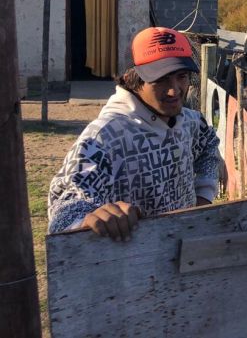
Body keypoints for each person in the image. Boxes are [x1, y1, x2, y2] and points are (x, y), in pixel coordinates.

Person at [48, 27, 221, 241]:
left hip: (184, 254)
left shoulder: (191, 122)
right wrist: (86, 220)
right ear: (134, 77)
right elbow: (62, 213)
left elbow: (209, 147)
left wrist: (203, 197)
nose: (174, 90)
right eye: (161, 79)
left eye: (181, 76)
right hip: (133, 265)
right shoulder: (104, 137)